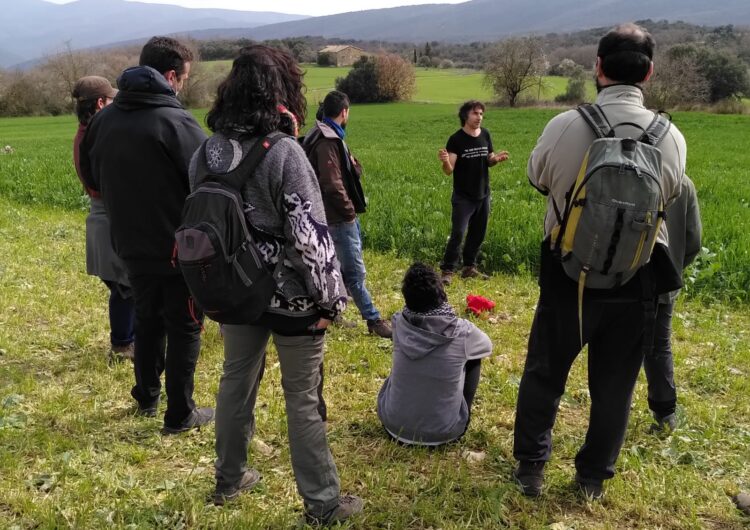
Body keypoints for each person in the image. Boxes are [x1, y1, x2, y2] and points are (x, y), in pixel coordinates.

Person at [513, 23, 687, 499]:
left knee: (545, 371)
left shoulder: (566, 124)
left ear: (598, 68)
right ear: (649, 72)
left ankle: (531, 466)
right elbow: (669, 194)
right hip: (638, 275)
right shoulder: (671, 137)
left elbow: (537, 176)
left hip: (568, 270)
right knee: (615, 385)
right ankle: (592, 478)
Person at [192, 45, 362, 525]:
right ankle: (323, 503)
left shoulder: (205, 151)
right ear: (283, 94)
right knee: (302, 399)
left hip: (235, 294)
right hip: (294, 301)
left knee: (234, 384)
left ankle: (228, 479)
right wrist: (333, 300)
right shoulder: (284, 152)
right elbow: (310, 236)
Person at [80, 37, 213, 434]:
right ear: (171, 76)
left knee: (146, 318)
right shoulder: (177, 122)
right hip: (177, 248)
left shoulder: (103, 120)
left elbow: (91, 178)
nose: (184, 86)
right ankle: (180, 414)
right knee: (185, 325)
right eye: (185, 78)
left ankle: (147, 396)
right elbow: (205, 183)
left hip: (127, 243)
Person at [302, 90, 392, 339]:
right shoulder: (329, 140)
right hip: (338, 217)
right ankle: (373, 320)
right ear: (344, 112)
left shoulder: (320, 132)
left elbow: (350, 171)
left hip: (323, 215)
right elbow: (332, 184)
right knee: (354, 273)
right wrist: (349, 212)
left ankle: (332, 312)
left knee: (334, 266)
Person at [377, 262, 492, 446]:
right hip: (444, 433)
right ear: (442, 294)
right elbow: (486, 346)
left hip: (394, 426)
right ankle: (464, 416)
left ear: (407, 299)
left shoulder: (399, 322)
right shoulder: (462, 331)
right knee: (473, 357)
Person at [71, 76, 135, 362]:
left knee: (124, 287)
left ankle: (126, 342)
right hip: (110, 216)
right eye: (111, 100)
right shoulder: (97, 136)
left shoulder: (84, 133)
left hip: (101, 217)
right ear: (100, 103)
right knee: (124, 287)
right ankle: (122, 347)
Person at [644, 176, 701, 432]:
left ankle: (610, 418)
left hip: (630, 280)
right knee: (659, 346)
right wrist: (675, 268)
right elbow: (694, 241)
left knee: (620, 348)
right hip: (665, 281)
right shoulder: (684, 183)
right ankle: (666, 414)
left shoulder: (638, 175)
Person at [437, 100, 509, 285]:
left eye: (481, 114)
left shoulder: (485, 134)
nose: (479, 117)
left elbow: (489, 159)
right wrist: (445, 161)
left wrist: (496, 159)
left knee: (478, 232)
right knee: (458, 233)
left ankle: (469, 267)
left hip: (483, 194)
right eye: (475, 113)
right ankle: (447, 270)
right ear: (465, 116)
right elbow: (449, 170)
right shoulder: (456, 139)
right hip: (463, 197)